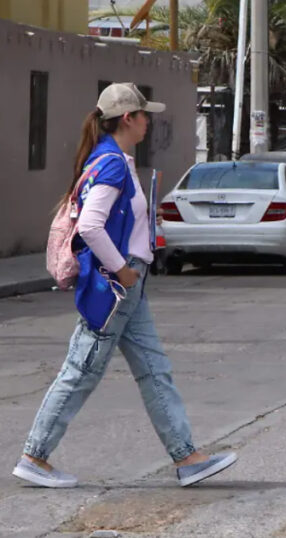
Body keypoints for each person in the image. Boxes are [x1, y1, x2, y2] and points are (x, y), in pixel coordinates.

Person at [13, 83, 237, 489]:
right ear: (128, 119)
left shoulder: (112, 159)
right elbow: (91, 227)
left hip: (128, 284)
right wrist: (122, 269)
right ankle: (34, 455)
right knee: (81, 370)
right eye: (144, 115)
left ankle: (188, 457)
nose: (149, 121)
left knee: (154, 370)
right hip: (117, 286)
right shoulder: (112, 163)